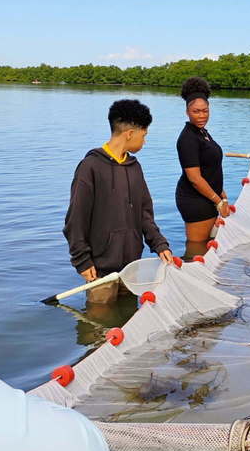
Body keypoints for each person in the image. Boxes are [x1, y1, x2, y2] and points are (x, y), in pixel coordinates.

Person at [64, 99, 172, 304]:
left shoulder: (134, 167)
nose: (145, 141)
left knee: (128, 321)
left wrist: (159, 244)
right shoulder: (90, 167)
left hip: (131, 268)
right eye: (144, 135)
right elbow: (75, 220)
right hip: (99, 269)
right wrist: (82, 261)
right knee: (97, 326)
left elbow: (144, 214)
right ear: (130, 133)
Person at [176, 77, 229, 258]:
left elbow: (209, 166)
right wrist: (218, 201)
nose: (201, 115)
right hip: (195, 200)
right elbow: (195, 178)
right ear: (187, 112)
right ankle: (185, 282)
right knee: (196, 249)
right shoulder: (187, 138)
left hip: (210, 197)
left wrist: (220, 191)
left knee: (207, 247)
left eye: (205, 111)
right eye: (196, 111)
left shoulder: (202, 132)